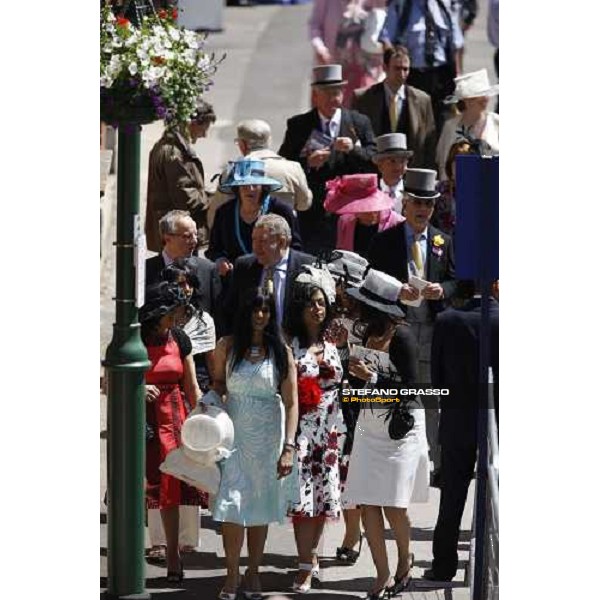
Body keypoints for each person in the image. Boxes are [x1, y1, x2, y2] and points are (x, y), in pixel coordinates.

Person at [343, 268, 429, 599]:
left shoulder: (402, 336)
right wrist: (350, 367)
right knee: (367, 504)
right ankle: (380, 574)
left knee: (393, 505)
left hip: (400, 429)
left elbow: (410, 387)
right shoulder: (366, 335)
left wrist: (373, 379)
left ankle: (404, 562)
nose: (357, 308)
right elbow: (356, 382)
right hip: (370, 426)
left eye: (362, 303)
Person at [368, 168, 456, 482]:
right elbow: (372, 282)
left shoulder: (443, 241)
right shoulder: (385, 241)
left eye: (429, 204)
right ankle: (394, 461)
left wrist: (442, 289)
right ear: (405, 203)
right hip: (397, 330)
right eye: (417, 202)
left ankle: (437, 464)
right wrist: (396, 291)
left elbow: (458, 282)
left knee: (432, 399)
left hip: (432, 331)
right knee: (395, 394)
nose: (422, 210)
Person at [211, 287, 299, 600]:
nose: (260, 316)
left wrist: (288, 447)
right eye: (255, 310)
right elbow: (218, 384)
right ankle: (232, 574)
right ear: (245, 312)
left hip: (267, 438)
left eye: (266, 311)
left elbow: (291, 403)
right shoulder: (227, 346)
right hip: (234, 436)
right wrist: (210, 410)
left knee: (260, 506)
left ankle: (254, 572)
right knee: (233, 506)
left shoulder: (281, 351)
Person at [424, 280, 499, 582]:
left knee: (452, 496)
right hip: (497, 422)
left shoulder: (446, 321)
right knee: (495, 497)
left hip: (456, 419)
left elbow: (436, 376)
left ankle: (443, 565)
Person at [285, 267, 345, 593]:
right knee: (302, 502)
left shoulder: (334, 342)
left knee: (323, 501)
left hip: (331, 432)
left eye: (321, 303)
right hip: (303, 433)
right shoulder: (289, 344)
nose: (316, 308)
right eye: (311, 303)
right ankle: (304, 564)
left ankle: (312, 559)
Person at [140, 282, 204, 583]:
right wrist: (138, 386)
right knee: (150, 486)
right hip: (145, 420)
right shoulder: (135, 337)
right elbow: (107, 382)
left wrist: (205, 416)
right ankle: (149, 548)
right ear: (158, 312)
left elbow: (192, 386)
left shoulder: (179, 337)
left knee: (173, 486)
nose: (177, 318)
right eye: (172, 313)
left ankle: (174, 554)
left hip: (176, 418)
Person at [279, 64, 377, 254]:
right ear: (316, 95)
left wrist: (353, 150)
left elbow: (374, 160)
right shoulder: (299, 125)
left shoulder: (358, 122)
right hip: (312, 212)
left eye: (337, 93)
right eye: (327, 94)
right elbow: (285, 163)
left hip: (349, 212)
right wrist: (308, 163)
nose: (334, 99)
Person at [206, 158, 303, 279]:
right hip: (235, 279)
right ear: (237, 188)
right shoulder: (224, 212)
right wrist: (220, 260)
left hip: (273, 277)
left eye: (255, 184)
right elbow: (214, 250)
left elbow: (295, 249)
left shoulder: (282, 211)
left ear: (263, 187)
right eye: (244, 184)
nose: (250, 189)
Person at [379, 0, 465, 134]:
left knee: (443, 126)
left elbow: (456, 43)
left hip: (442, 76)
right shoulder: (400, 5)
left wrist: (458, 73)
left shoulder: (445, 5)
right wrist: (393, 69)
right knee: (414, 127)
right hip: (412, 75)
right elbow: (386, 39)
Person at [208, 119, 312, 228]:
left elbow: (215, 215)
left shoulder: (234, 170)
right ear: (269, 141)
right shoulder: (293, 168)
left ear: (243, 144)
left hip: (243, 239)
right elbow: (304, 204)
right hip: (281, 238)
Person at [222, 214, 314, 334]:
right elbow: (230, 310)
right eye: (254, 240)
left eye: (262, 241)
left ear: (282, 242)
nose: (255, 247)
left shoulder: (307, 267)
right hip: (255, 345)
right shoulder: (244, 266)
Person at [145, 99, 217, 252]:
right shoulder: (175, 153)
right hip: (177, 237)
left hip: (173, 235)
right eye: (204, 127)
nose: (204, 134)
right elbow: (186, 199)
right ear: (192, 123)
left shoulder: (169, 147)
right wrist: (214, 198)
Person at [353, 45, 437, 168]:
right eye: (397, 68)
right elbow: (356, 138)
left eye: (406, 69)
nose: (402, 74)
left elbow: (430, 142)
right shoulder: (363, 98)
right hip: (373, 170)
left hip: (411, 173)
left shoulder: (423, 100)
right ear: (385, 68)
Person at [309, 0, 388, 106]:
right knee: (331, 110)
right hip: (334, 69)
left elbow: (385, 21)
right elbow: (314, 25)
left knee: (365, 112)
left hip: (367, 72)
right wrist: (320, 48)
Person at [146, 210, 221, 316]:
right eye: (187, 236)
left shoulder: (208, 270)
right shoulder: (145, 271)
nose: (195, 241)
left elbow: (218, 315)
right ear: (167, 238)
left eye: (196, 235)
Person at [436, 68, 499, 180]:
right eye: (479, 95)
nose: (485, 98)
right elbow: (443, 163)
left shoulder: (497, 122)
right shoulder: (450, 127)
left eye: (486, 94)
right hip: (458, 189)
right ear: (466, 100)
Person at [324, 173, 405, 258]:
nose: (367, 212)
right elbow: (340, 256)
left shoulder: (398, 223)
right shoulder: (344, 222)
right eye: (360, 207)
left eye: (369, 206)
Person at [371, 133, 413, 212]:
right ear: (380, 165)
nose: (398, 166)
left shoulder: (412, 192)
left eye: (402, 161)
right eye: (392, 161)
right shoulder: (371, 192)